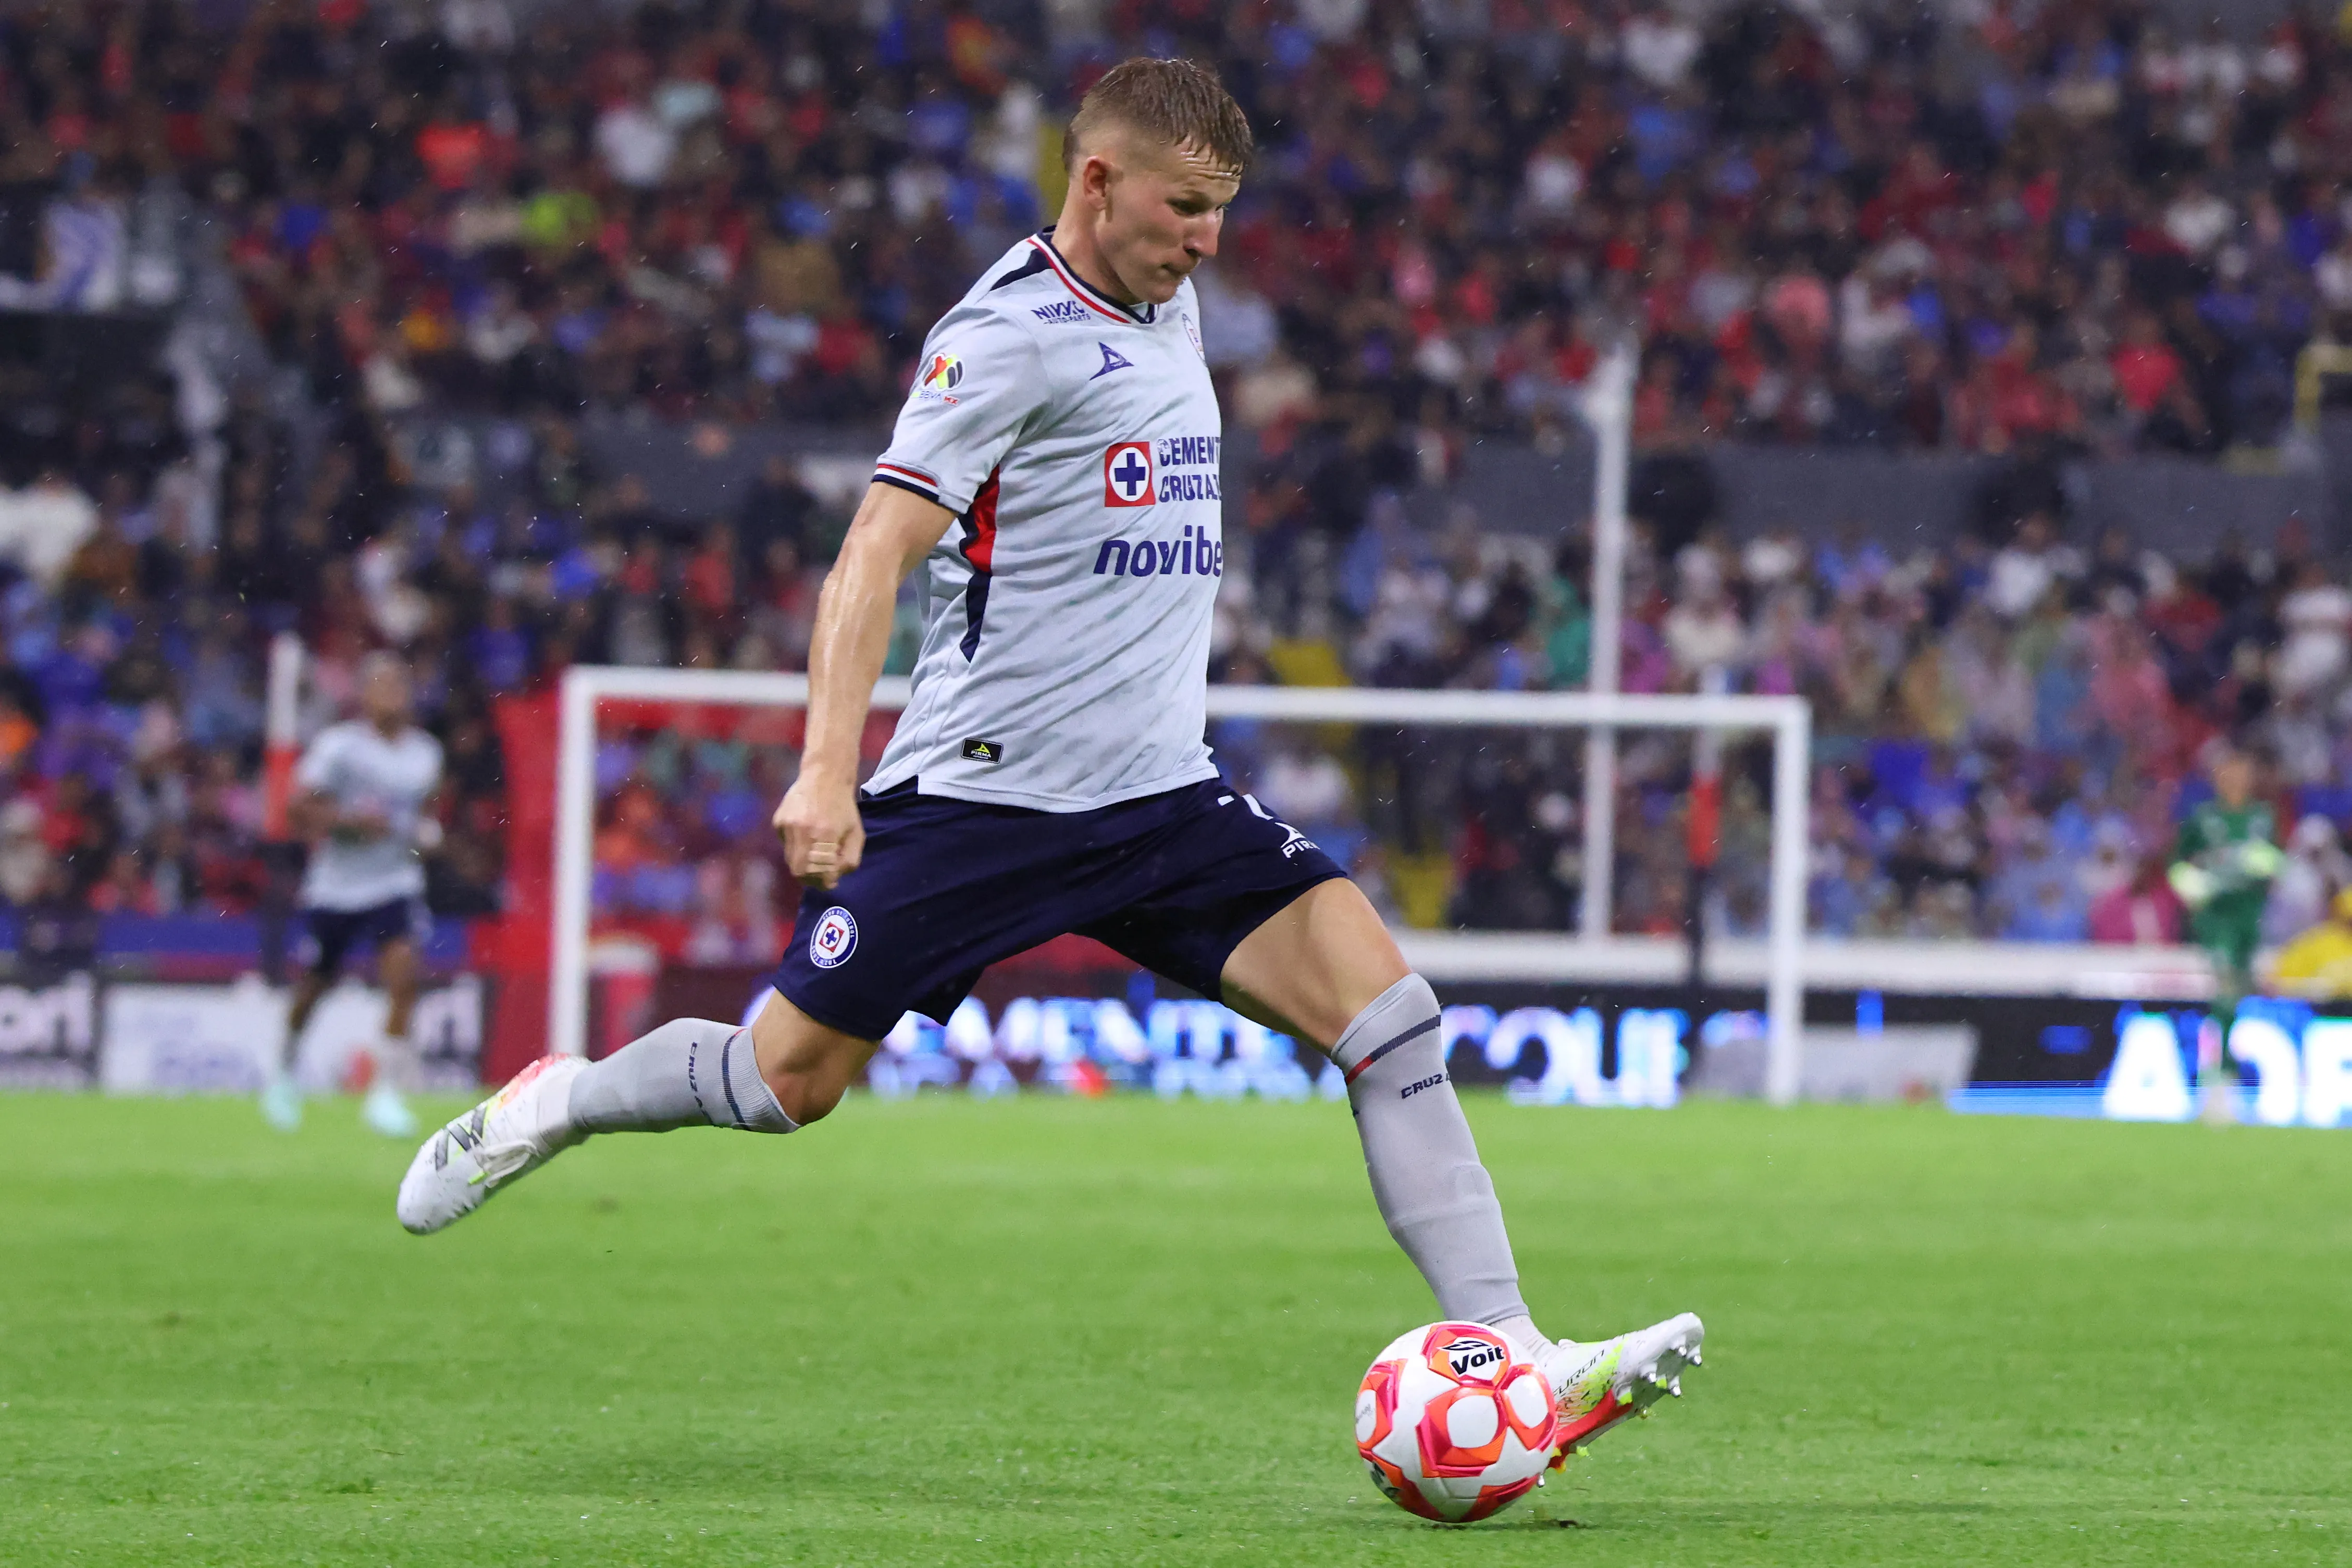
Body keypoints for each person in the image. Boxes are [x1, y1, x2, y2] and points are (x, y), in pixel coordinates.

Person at [394, 58, 1700, 1462]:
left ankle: (1513, 1361)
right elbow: (874, 547)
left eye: (1223, 212)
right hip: (981, 802)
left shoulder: (1174, 298)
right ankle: (560, 1102)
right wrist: (825, 768)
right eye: (1186, 207)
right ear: (1096, 183)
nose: (1209, 240)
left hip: (1157, 798)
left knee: (1394, 1022)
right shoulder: (1002, 337)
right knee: (785, 1085)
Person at [264, 653, 444, 1137]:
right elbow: (297, 810)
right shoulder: (338, 748)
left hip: (394, 882)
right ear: (363, 696)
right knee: (316, 986)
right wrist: (349, 823)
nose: (394, 695)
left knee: (404, 976)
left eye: (400, 685)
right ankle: (284, 1072)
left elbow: (422, 817)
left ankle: (384, 1094)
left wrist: (425, 837)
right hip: (338, 888)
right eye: (383, 686)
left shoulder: (425, 754)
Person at [2168, 744, 2282, 1115]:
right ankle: (2219, 1081)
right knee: (2226, 988)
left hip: (2250, 917)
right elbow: (2177, 862)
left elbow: (2278, 861)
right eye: (2230, 772)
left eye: (2243, 772)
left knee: (2237, 994)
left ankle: (2222, 1075)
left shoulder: (2262, 816)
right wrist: (2192, 884)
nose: (2236, 779)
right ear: (2218, 777)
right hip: (2217, 918)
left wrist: (2266, 864)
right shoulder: (2203, 818)